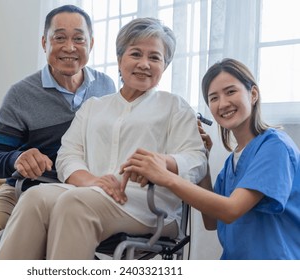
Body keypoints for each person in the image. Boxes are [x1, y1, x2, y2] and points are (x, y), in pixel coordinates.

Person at [0, 17, 207, 260]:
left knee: (76, 203)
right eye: (135, 54)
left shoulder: (175, 106)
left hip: (148, 206)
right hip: (87, 191)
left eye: (155, 57)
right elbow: (68, 155)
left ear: (165, 66)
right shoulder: (93, 107)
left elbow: (196, 159)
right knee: (35, 197)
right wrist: (91, 181)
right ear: (120, 60)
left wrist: (163, 162)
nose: (144, 64)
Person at [0, 4, 116, 260]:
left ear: (91, 44)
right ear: (44, 42)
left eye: (78, 39)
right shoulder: (20, 94)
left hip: (85, 191)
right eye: (59, 38)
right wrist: (17, 158)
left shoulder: (107, 86)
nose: (69, 47)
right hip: (24, 190)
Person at [121, 58, 300, 260]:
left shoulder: (275, 146)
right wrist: (203, 162)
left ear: (253, 94)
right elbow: (212, 221)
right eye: (213, 98)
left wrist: (166, 176)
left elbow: (231, 210)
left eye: (230, 92)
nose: (222, 103)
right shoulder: (231, 164)